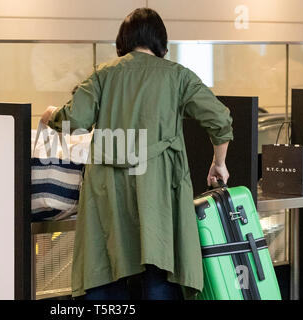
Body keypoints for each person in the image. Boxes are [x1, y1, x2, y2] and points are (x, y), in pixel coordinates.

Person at [41, 8, 233, 300]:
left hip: (107, 191)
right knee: (158, 265)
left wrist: (52, 114)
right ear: (162, 44)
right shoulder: (178, 76)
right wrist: (218, 164)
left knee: (104, 266)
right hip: (158, 188)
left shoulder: (103, 75)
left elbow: (75, 119)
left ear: (123, 41)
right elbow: (219, 121)